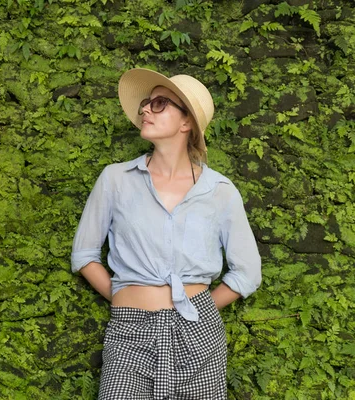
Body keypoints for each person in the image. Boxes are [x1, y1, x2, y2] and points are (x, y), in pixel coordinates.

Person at [71, 68, 262, 399]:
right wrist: (122, 299)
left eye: (159, 103)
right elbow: (84, 255)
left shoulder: (219, 190)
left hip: (199, 338)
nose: (145, 109)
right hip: (130, 334)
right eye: (147, 103)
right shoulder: (115, 179)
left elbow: (248, 272)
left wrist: (198, 311)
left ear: (186, 122)